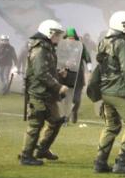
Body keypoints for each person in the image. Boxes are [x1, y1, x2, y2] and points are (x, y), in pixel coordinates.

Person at [93, 11, 125, 175]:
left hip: (106, 91)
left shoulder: (103, 42)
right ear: (122, 26)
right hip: (120, 92)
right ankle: (122, 162)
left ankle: (100, 162)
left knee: (111, 126)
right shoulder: (123, 44)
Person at [18, 20, 68, 165]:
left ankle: (42, 149)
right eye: (57, 34)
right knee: (35, 124)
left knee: (56, 121)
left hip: (46, 93)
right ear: (49, 33)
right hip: (38, 93)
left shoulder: (47, 47)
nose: (59, 37)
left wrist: (58, 73)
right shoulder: (40, 49)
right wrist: (58, 86)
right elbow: (40, 73)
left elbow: (45, 70)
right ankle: (26, 156)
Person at [64, 28, 91, 124]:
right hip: (65, 76)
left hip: (78, 76)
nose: (70, 40)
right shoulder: (61, 47)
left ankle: (74, 111)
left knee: (76, 99)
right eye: (69, 38)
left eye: (72, 38)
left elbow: (87, 58)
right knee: (66, 98)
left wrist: (90, 69)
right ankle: (65, 118)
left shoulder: (81, 46)